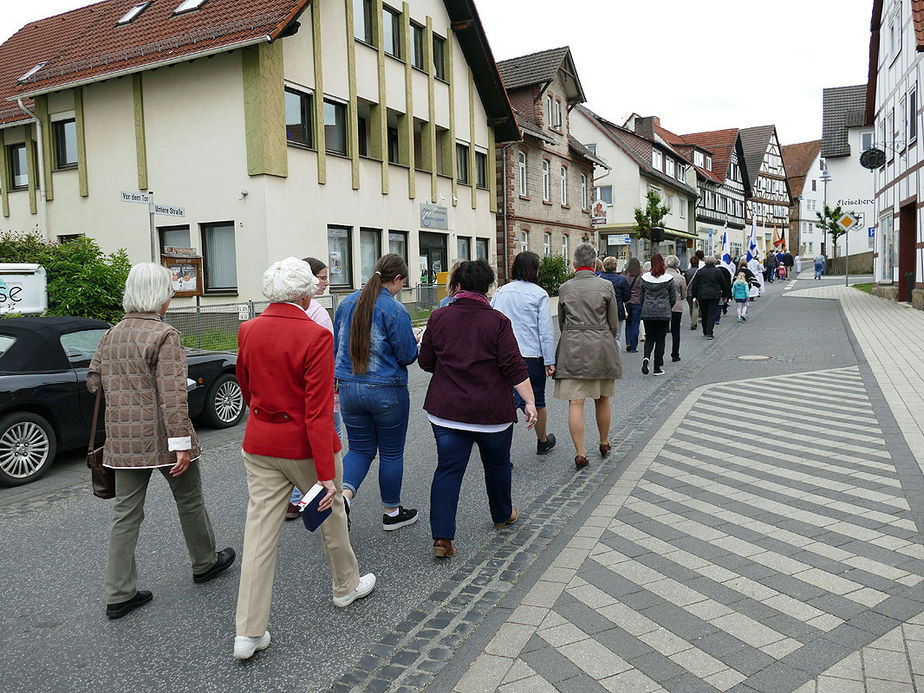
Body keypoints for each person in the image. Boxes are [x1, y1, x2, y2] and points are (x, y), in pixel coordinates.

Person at [234, 258, 373, 660]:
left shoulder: (247, 329)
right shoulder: (314, 335)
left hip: (260, 441)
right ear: (304, 292)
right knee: (332, 515)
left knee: (259, 534)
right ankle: (345, 586)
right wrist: (327, 474)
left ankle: (248, 631)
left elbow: (246, 384)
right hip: (305, 446)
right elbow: (317, 409)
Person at [88, 263, 235, 621]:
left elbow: (94, 382)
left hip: (123, 441)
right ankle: (204, 563)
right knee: (189, 501)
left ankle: (119, 593)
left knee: (125, 514)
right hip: (164, 438)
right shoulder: (164, 335)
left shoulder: (111, 334)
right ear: (158, 296)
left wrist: (128, 391)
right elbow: (173, 396)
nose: (171, 296)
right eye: (168, 290)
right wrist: (181, 443)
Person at [420, 260, 537, 558]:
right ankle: (502, 514)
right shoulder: (498, 322)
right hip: (491, 413)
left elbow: (425, 362)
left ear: (457, 286)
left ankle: (442, 538)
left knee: (448, 470)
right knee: (497, 465)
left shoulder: (438, 317)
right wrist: (530, 401)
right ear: (487, 288)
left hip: (447, 412)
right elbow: (514, 367)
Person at [334, 253, 420, 530]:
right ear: (396, 279)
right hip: (386, 389)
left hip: (348, 388)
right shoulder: (395, 310)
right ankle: (392, 513)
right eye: (402, 284)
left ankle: (344, 498)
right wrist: (417, 340)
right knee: (392, 453)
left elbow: (338, 346)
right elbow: (407, 355)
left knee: (359, 449)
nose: (401, 289)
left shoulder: (345, 303)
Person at [555, 244, 622, 469]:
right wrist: (606, 337)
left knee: (576, 401)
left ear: (574, 264)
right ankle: (603, 442)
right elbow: (613, 322)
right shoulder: (606, 285)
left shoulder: (564, 288)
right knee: (602, 397)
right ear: (595, 263)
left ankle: (580, 452)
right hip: (600, 346)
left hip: (572, 348)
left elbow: (562, 322)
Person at [287, 256, 342, 520]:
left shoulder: (276, 317)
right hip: (319, 389)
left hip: (291, 394)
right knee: (330, 439)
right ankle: (309, 498)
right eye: (321, 277)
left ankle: (293, 499)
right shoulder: (318, 314)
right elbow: (327, 354)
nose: (325, 282)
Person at [491, 251, 557, 455]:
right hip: (530, 354)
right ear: (534, 270)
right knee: (537, 399)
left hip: (502, 354)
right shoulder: (539, 294)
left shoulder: (501, 291)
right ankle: (542, 440)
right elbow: (545, 331)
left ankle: (502, 452)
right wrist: (549, 360)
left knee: (503, 400)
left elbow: (491, 319)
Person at [639, 254, 676, 376]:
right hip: (663, 312)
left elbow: (641, 297)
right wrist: (667, 307)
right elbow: (673, 298)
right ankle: (656, 368)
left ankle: (646, 358)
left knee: (649, 338)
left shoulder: (645, 279)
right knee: (660, 340)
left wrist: (645, 305)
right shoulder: (669, 279)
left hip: (648, 312)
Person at [689, 255, 731, 340]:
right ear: (714, 262)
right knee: (712, 314)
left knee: (704, 313)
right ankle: (710, 332)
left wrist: (694, 296)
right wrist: (725, 295)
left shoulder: (700, 271)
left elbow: (695, 285)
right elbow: (723, 284)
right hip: (714, 295)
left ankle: (705, 330)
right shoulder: (718, 271)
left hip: (702, 295)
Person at [599, 256, 631, 350]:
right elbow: (627, 297)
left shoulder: (600, 279)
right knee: (617, 336)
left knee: (603, 335)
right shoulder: (622, 279)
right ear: (615, 266)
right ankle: (616, 359)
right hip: (618, 309)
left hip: (602, 309)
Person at [665, 255, 687, 362]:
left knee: (661, 332)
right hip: (676, 307)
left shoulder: (661, 276)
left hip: (663, 307)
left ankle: (660, 356)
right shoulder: (680, 278)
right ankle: (675, 354)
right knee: (676, 331)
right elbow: (683, 295)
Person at [623, 257, 643, 352]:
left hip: (627, 302)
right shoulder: (640, 276)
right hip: (637, 302)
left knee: (628, 324)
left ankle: (628, 342)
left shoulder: (625, 275)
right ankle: (634, 347)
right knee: (636, 324)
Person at [684, 256, 700, 330]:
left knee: (691, 307)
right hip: (697, 292)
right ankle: (694, 322)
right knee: (696, 307)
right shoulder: (699, 271)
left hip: (689, 292)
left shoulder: (687, 272)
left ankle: (692, 319)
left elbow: (685, 282)